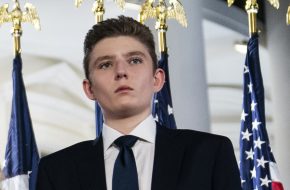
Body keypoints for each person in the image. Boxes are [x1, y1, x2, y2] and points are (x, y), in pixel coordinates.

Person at [36, 15, 241, 190]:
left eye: (134, 60)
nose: (121, 72)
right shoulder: (56, 170)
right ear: (89, 88)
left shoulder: (209, 153)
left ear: (157, 79)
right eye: (106, 64)